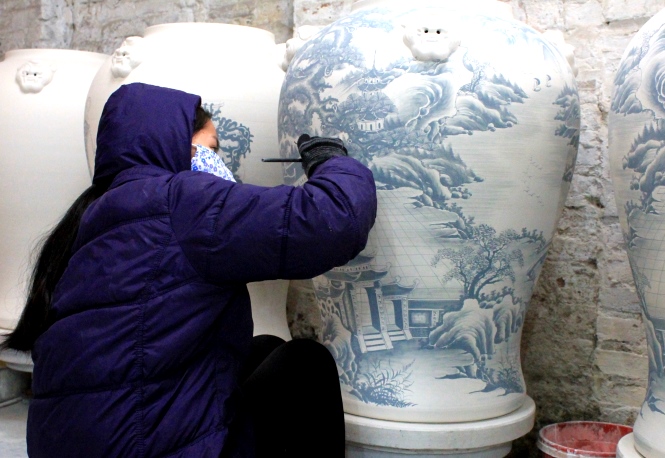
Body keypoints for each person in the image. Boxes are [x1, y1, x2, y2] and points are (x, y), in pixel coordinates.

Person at [1, 82, 377, 457]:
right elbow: (332, 221)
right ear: (176, 147)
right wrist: (332, 162)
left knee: (263, 350)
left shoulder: (99, 211)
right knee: (304, 365)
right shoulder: (181, 199)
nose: (219, 162)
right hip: (141, 446)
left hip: (81, 443)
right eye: (212, 149)